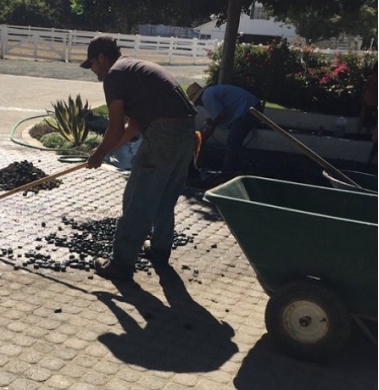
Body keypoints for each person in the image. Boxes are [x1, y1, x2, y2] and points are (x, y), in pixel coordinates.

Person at [81, 35, 197, 282]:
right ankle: (159, 249)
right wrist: (108, 151)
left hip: (164, 133)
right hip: (185, 132)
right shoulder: (133, 69)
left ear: (101, 58)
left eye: (91, 64)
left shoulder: (114, 75)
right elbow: (133, 125)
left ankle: (121, 265)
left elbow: (114, 127)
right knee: (165, 195)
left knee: (137, 198)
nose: (93, 71)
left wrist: (98, 154)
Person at [186, 82, 262, 177]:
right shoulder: (211, 92)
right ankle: (233, 169)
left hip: (249, 110)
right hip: (252, 106)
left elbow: (221, 115)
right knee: (234, 140)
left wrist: (211, 125)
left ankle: (229, 172)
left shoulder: (206, 96)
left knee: (233, 140)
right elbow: (218, 116)